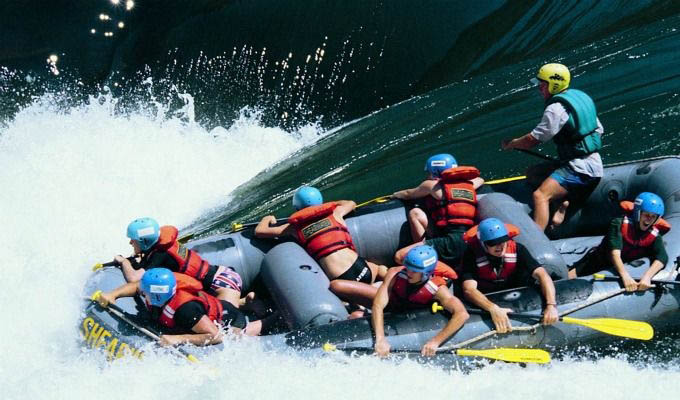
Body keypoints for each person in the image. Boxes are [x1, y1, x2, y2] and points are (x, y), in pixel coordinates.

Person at [501, 63, 604, 231]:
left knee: (540, 195)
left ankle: (537, 239)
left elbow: (532, 140)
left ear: (554, 84)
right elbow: (598, 130)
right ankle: (562, 203)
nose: (539, 88)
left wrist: (512, 144)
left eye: (542, 85)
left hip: (579, 169)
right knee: (533, 174)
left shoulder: (556, 109)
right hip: (591, 163)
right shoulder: (579, 99)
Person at [255, 186, 387, 308]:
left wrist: (267, 218)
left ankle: (357, 303)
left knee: (337, 292)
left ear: (297, 207)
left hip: (343, 278)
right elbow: (351, 203)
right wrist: (331, 204)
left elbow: (260, 232)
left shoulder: (294, 228)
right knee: (379, 268)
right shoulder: (335, 213)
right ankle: (392, 284)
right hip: (362, 268)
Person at [96, 268, 269, 346]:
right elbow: (135, 286)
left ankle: (270, 320)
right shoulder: (158, 292)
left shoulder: (185, 309)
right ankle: (246, 302)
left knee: (239, 336)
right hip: (213, 308)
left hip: (228, 321)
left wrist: (177, 339)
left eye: (145, 291)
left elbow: (215, 336)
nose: (141, 291)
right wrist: (113, 294)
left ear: (156, 295)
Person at [114, 217, 249, 310]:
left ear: (144, 242)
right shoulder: (161, 247)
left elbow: (134, 278)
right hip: (220, 278)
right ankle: (245, 302)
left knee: (225, 324)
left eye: (133, 240)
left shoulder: (161, 254)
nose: (130, 243)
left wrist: (124, 261)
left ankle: (249, 304)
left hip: (222, 284)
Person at [461, 218, 558, 333]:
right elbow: (469, 290)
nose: (500, 246)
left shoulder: (518, 249)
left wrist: (551, 305)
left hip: (516, 293)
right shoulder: (471, 255)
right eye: (493, 244)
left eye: (502, 241)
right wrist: (493, 309)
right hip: (489, 296)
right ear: (483, 243)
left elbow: (542, 275)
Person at [372, 245, 468, 357]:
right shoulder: (394, 274)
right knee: (356, 315)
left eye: (414, 271)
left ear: (426, 272)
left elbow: (462, 314)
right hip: (393, 309)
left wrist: (435, 341)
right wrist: (380, 339)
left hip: (413, 319)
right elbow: (378, 305)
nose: (409, 273)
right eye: (408, 267)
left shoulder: (437, 289)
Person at [392, 154, 484, 270]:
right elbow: (480, 179)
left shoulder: (431, 185)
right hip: (468, 237)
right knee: (416, 213)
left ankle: (423, 255)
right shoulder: (469, 185)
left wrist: (394, 195)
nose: (427, 175)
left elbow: (408, 194)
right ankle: (427, 248)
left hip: (450, 242)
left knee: (399, 256)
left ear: (436, 172)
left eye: (429, 172)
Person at [568, 192, 670, 291]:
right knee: (570, 277)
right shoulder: (618, 224)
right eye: (646, 215)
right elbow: (615, 253)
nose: (648, 220)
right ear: (638, 213)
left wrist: (647, 277)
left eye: (653, 217)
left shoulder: (654, 235)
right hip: (598, 261)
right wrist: (625, 277)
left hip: (621, 266)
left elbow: (662, 258)